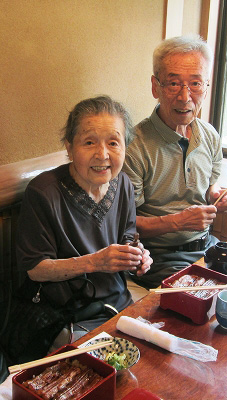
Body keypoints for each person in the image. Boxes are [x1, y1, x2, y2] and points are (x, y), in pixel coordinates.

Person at [15, 95, 153, 348]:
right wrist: (94, 262)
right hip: (67, 314)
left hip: (117, 302)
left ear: (125, 147)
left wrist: (137, 257)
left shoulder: (123, 184)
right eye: (89, 142)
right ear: (69, 147)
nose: (102, 155)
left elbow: (127, 237)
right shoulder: (43, 192)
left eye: (113, 143)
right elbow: (35, 269)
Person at [123, 35, 227, 290]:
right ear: (155, 86)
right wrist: (178, 222)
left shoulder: (209, 136)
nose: (185, 97)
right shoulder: (135, 145)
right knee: (201, 299)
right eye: (173, 84)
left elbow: (209, 189)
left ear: (206, 87)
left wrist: (217, 195)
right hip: (159, 258)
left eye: (195, 84)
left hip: (206, 245)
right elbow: (126, 223)